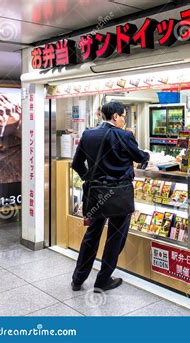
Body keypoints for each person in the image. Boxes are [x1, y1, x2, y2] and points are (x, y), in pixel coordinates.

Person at [71, 101, 149, 293]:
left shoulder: (88, 134)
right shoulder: (124, 135)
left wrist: (91, 178)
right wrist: (146, 155)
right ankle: (103, 280)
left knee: (92, 236)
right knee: (115, 238)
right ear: (115, 116)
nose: (124, 119)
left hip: (96, 194)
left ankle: (78, 279)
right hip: (119, 195)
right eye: (123, 116)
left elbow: (77, 164)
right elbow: (140, 157)